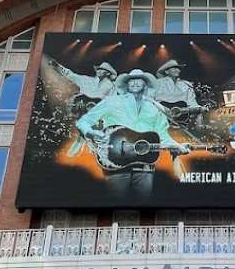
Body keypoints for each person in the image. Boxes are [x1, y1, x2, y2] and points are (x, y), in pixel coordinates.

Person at [76, 70, 191, 200]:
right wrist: (91, 133)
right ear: (126, 84)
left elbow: (162, 135)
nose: (135, 82)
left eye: (139, 79)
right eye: (131, 79)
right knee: (115, 200)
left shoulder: (155, 108)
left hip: (145, 163)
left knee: (143, 202)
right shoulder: (111, 102)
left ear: (145, 84)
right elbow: (83, 121)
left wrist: (177, 146)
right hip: (115, 160)